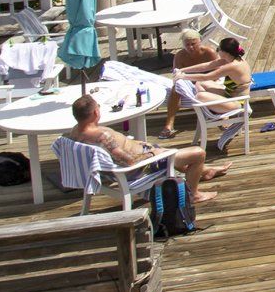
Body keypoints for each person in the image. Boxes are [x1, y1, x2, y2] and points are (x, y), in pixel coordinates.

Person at [69, 93, 222, 204]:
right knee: (198, 153)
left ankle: (205, 171)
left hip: (124, 165)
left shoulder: (75, 132)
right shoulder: (102, 136)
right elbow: (129, 161)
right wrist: (152, 153)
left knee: (173, 154)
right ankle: (193, 194)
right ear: (95, 112)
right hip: (141, 168)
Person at [159, 36, 253, 146]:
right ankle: (214, 110)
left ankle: (215, 113)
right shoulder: (231, 59)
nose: (217, 51)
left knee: (199, 97)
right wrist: (182, 70)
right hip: (230, 95)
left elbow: (207, 76)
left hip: (238, 103)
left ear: (224, 52)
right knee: (199, 85)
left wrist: (184, 77)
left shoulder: (232, 66)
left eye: (218, 49)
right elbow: (206, 66)